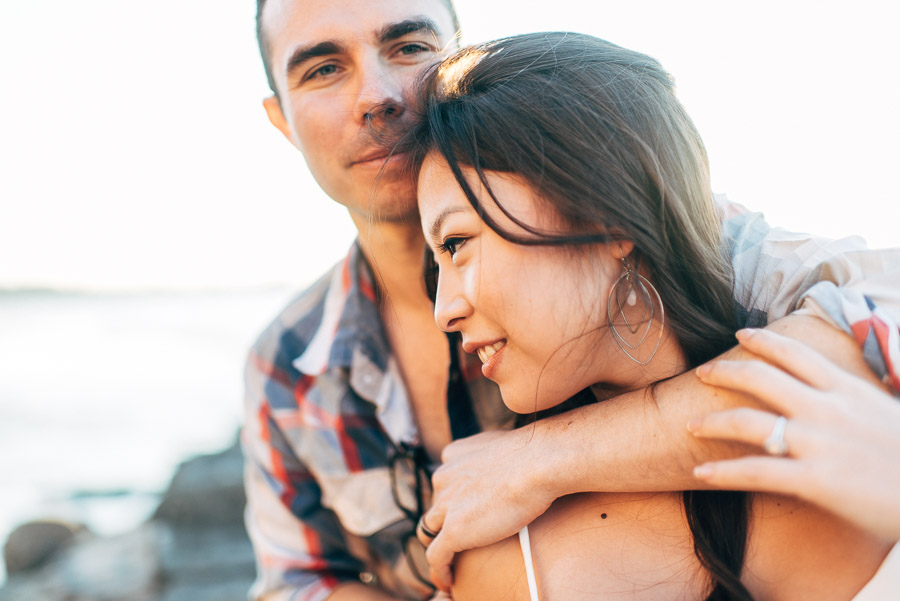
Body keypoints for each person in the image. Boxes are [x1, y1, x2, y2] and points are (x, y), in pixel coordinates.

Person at [243, 1, 900, 599]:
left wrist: (541, 458)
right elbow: (298, 582)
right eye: (323, 69)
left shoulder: (686, 232)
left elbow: (871, 336)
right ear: (281, 120)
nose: (377, 95)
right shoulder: (286, 365)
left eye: (409, 47)